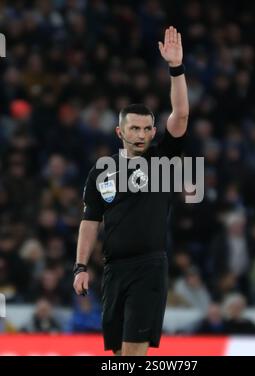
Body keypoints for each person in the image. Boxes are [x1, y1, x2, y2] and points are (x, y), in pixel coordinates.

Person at [73, 26, 189, 356]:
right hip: (112, 270)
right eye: (133, 128)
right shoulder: (101, 170)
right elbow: (90, 221)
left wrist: (176, 68)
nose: (140, 134)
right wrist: (81, 266)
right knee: (120, 356)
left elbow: (180, 113)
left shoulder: (163, 159)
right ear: (119, 131)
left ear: (154, 131)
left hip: (149, 267)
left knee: (134, 351)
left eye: (145, 128)